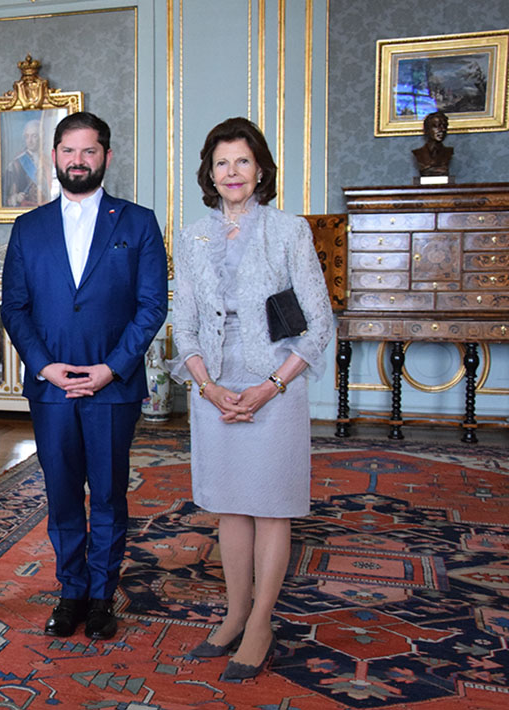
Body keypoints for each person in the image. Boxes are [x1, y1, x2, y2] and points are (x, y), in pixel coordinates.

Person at [168, 117, 332, 681]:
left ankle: (262, 620)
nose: (232, 172)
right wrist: (208, 387)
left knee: (270, 505)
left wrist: (270, 387)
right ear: (208, 174)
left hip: (275, 381)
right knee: (230, 503)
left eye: (242, 161)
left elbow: (317, 326)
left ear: (260, 168)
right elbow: (183, 325)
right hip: (214, 386)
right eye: (221, 163)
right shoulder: (191, 236)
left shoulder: (289, 231)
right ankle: (235, 611)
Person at [1, 111, 168, 641]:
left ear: (107, 157)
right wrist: (44, 367)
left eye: (89, 151)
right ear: (54, 157)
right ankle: (70, 591)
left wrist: (111, 369)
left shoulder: (137, 222)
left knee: (111, 494)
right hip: (51, 388)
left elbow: (152, 306)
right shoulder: (28, 228)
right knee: (63, 495)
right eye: (68, 151)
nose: (78, 160)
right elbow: (13, 307)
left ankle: (102, 596)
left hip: (112, 387)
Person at [4, 118, 54, 207]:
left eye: (34, 136)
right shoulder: (17, 163)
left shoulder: (49, 161)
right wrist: (16, 197)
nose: (30, 141)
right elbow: (8, 196)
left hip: (46, 209)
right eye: (27, 136)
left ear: (41, 137)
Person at [412, 111, 453, 177]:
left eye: (444, 126)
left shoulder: (448, 152)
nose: (442, 129)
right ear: (427, 129)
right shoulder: (419, 153)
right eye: (437, 126)